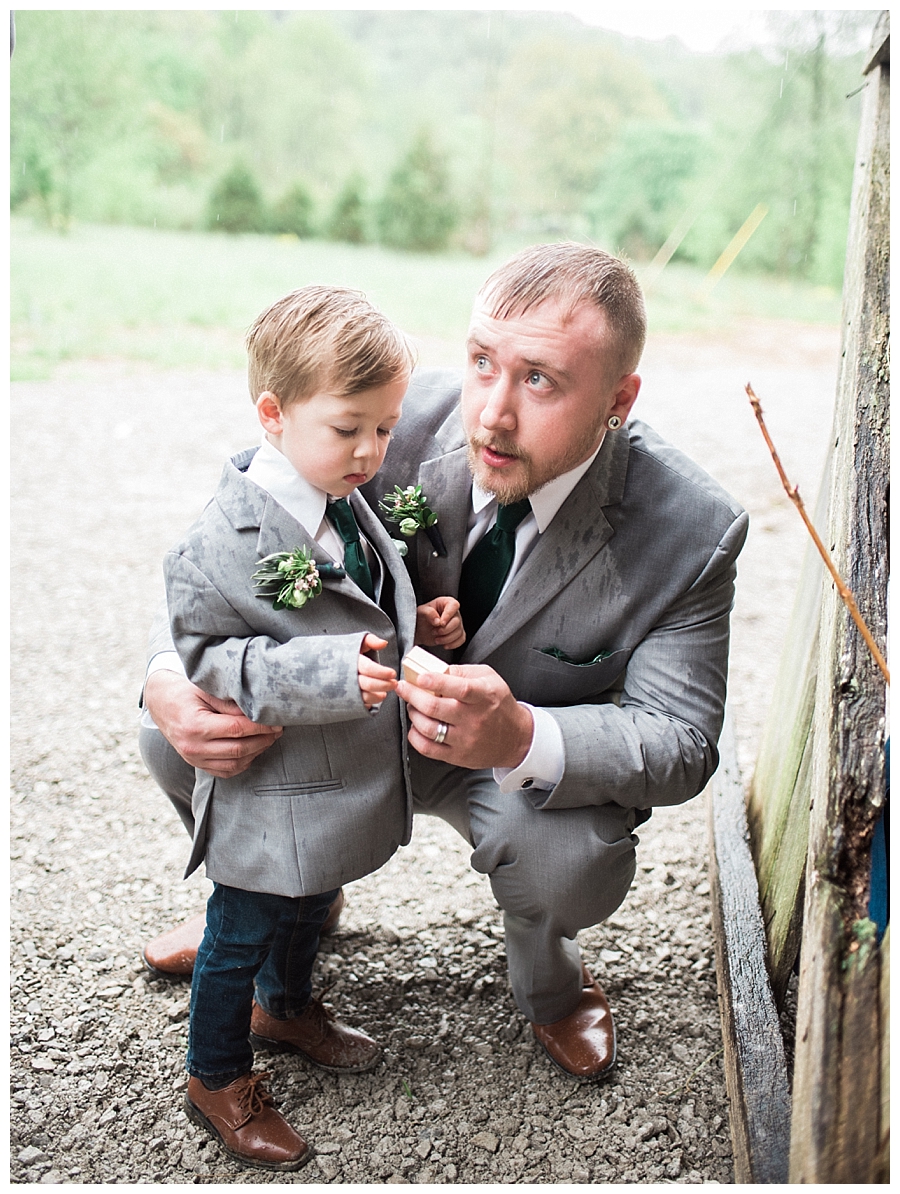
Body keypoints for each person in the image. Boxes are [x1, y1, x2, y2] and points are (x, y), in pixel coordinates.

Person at [141, 241, 748, 1092]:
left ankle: (551, 984)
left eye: (539, 380)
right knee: (168, 738)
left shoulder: (690, 529)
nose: (490, 415)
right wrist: (168, 678)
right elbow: (228, 561)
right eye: (481, 363)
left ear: (619, 400)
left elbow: (682, 742)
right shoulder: (383, 417)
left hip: (501, 767)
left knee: (570, 866)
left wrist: (520, 733)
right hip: (345, 720)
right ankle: (281, 906)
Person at [153, 285, 465, 1172]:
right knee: (242, 925)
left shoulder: (345, 493)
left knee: (304, 903)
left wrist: (423, 627)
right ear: (272, 414)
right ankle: (216, 1073)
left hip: (335, 777)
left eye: (387, 427)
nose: (373, 451)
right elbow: (209, 656)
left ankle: (286, 1005)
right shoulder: (217, 542)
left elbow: (369, 592)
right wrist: (329, 671)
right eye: (350, 428)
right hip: (274, 781)